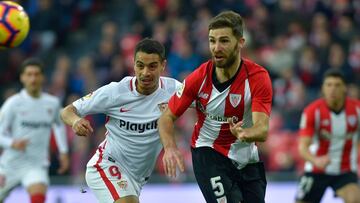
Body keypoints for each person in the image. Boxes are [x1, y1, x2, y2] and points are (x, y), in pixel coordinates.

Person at [158, 10, 273, 203]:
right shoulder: (198, 78)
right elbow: (166, 117)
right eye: (212, 41)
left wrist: (245, 134)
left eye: (224, 41)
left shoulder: (257, 78)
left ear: (241, 42)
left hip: (246, 157)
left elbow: (262, 129)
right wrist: (169, 148)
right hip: (208, 153)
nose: (216, 48)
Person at [60, 38, 181, 203]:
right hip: (107, 165)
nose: (145, 72)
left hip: (137, 178)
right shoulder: (116, 92)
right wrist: (75, 121)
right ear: (133, 64)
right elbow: (67, 111)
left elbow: (205, 105)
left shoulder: (173, 90)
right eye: (140, 65)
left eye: (152, 66)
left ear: (163, 65)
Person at [0, 58, 69, 203]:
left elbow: (58, 125)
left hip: (36, 164)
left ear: (43, 77)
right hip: (10, 164)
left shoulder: (52, 103)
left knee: (38, 196)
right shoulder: (14, 103)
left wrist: (63, 151)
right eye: (29, 74)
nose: (33, 78)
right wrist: (12, 143)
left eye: (37, 74)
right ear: (22, 77)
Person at [296, 69, 360, 203]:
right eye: (329, 85)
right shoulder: (312, 111)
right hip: (316, 170)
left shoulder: (357, 110)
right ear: (323, 89)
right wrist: (315, 160)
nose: (333, 89)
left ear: (344, 89)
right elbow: (302, 147)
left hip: (345, 171)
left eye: (337, 85)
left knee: (355, 199)